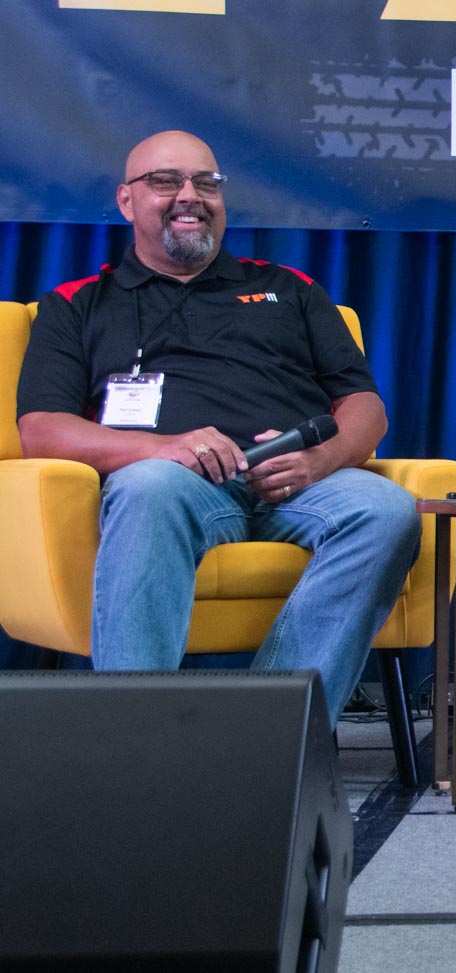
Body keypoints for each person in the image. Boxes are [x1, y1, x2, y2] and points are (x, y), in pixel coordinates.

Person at [15, 131, 421, 726]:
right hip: (175, 485)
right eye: (166, 182)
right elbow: (43, 430)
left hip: (298, 480)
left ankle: (270, 734)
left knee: (387, 509)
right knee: (148, 486)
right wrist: (164, 449)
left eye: (206, 183)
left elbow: (364, 405)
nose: (190, 196)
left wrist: (319, 461)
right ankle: (138, 743)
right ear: (127, 201)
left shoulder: (292, 289)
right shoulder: (77, 303)